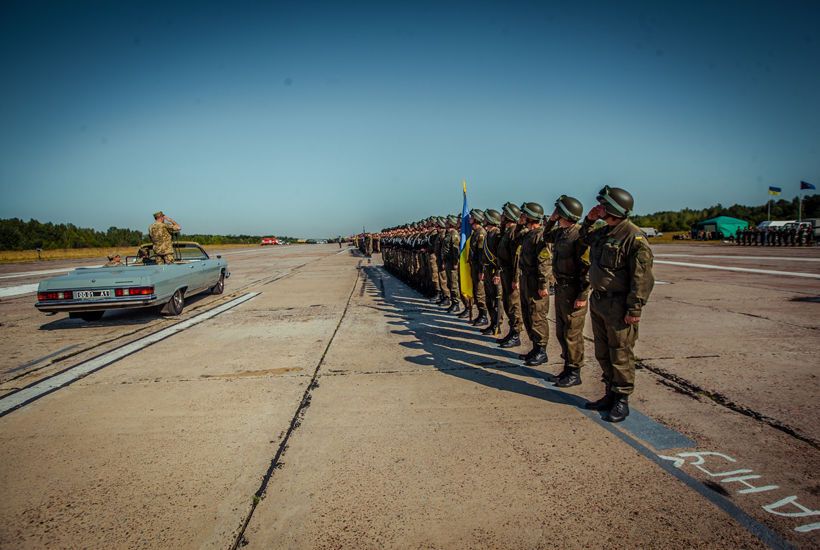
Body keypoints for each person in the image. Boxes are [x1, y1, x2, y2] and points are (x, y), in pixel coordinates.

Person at [580, 186, 654, 423]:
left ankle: (621, 399)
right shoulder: (604, 232)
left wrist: (634, 309)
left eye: (603, 206)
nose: (599, 208)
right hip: (600, 301)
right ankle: (609, 394)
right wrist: (589, 220)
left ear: (614, 208)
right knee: (603, 352)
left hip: (619, 304)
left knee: (620, 353)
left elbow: (641, 278)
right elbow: (584, 239)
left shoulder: (634, 237)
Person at [543, 195, 590, 387]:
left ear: (566, 214)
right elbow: (546, 236)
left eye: (558, 213)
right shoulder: (562, 232)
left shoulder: (579, 235)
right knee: (562, 332)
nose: (556, 215)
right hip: (562, 289)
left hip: (573, 290)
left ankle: (574, 371)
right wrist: (552, 221)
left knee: (572, 333)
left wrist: (582, 295)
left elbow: (586, 267)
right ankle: (567, 368)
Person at [513, 202, 550, 366]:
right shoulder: (528, 234)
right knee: (528, 314)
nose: (522, 216)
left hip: (535, 280)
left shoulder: (540, 236)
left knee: (537, 316)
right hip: (526, 278)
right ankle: (535, 348)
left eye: (524, 214)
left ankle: (542, 350)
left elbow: (544, 263)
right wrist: (519, 225)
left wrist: (543, 285)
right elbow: (514, 238)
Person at [496, 203, 525, 348]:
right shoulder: (507, 231)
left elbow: (516, 258)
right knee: (507, 303)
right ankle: (512, 332)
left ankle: (516, 333)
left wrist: (515, 278)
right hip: (505, 272)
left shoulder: (514, 231)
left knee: (514, 304)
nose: (501, 216)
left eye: (504, 214)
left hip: (511, 273)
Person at [481, 209, 504, 336]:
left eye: (486, 218)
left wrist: (498, 274)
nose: (483, 220)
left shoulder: (497, 235)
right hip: (488, 270)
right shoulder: (488, 234)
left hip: (495, 271)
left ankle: (497, 325)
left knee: (497, 300)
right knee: (489, 299)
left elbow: (500, 257)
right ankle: (492, 322)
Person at [469, 209, 489, 326]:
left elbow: (482, 253)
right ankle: (481, 314)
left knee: (480, 292)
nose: (469, 219)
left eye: (471, 217)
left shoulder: (481, 233)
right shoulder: (475, 232)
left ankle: (484, 315)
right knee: (476, 291)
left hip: (479, 267)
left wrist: (481, 270)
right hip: (474, 265)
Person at [442, 215, 462, 314]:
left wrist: (455, 263)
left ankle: (456, 303)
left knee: (454, 284)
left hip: (452, 262)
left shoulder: (454, 234)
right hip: (448, 262)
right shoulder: (449, 233)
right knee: (450, 283)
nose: (445, 224)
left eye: (447, 222)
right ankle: (453, 302)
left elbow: (455, 250)